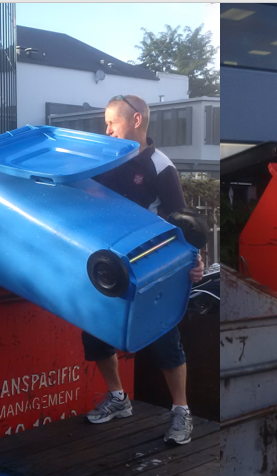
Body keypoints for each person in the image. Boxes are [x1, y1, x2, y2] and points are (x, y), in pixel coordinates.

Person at [81, 94, 206, 445]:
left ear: (135, 121)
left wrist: (194, 260)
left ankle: (181, 411)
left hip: (150, 264)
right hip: (106, 260)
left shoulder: (160, 166)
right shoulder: (100, 157)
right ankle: (118, 398)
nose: (106, 130)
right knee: (95, 330)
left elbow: (183, 221)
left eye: (112, 123)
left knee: (164, 337)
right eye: (105, 123)